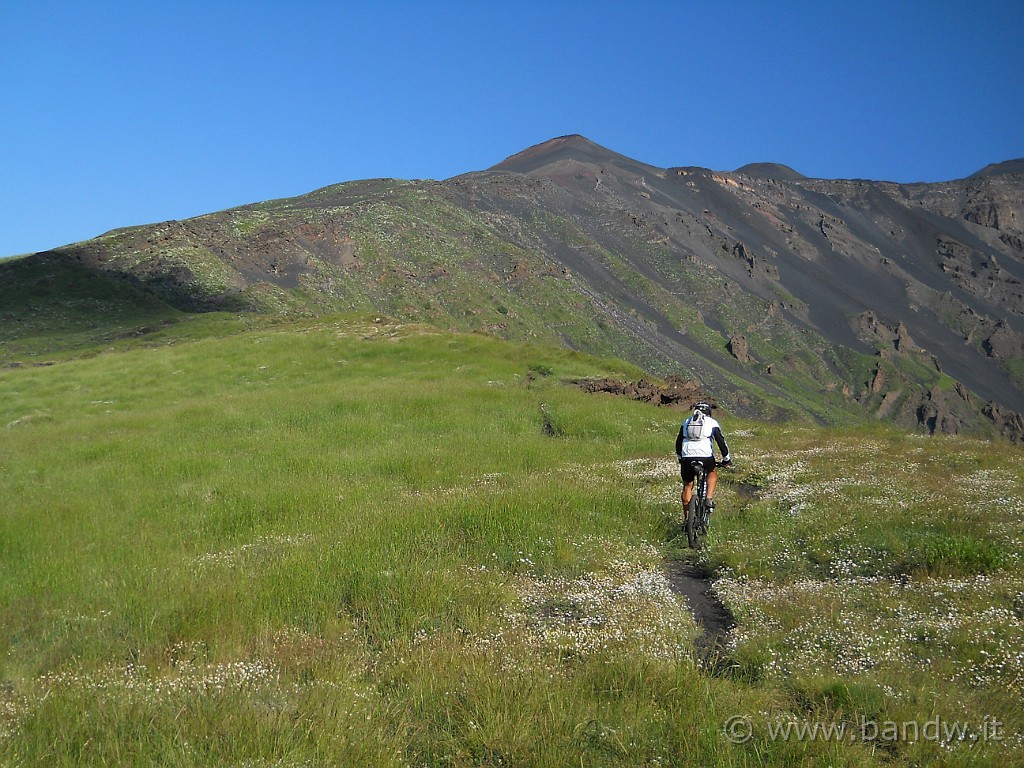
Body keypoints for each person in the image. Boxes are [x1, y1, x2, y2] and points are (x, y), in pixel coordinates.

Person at [675, 400, 731, 521]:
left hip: (687, 457)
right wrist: (726, 459)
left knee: (687, 486)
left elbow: (678, 441)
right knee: (712, 472)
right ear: (708, 413)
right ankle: (708, 499)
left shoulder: (686, 422)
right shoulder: (712, 422)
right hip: (705, 457)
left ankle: (687, 520)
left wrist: (680, 457)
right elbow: (721, 441)